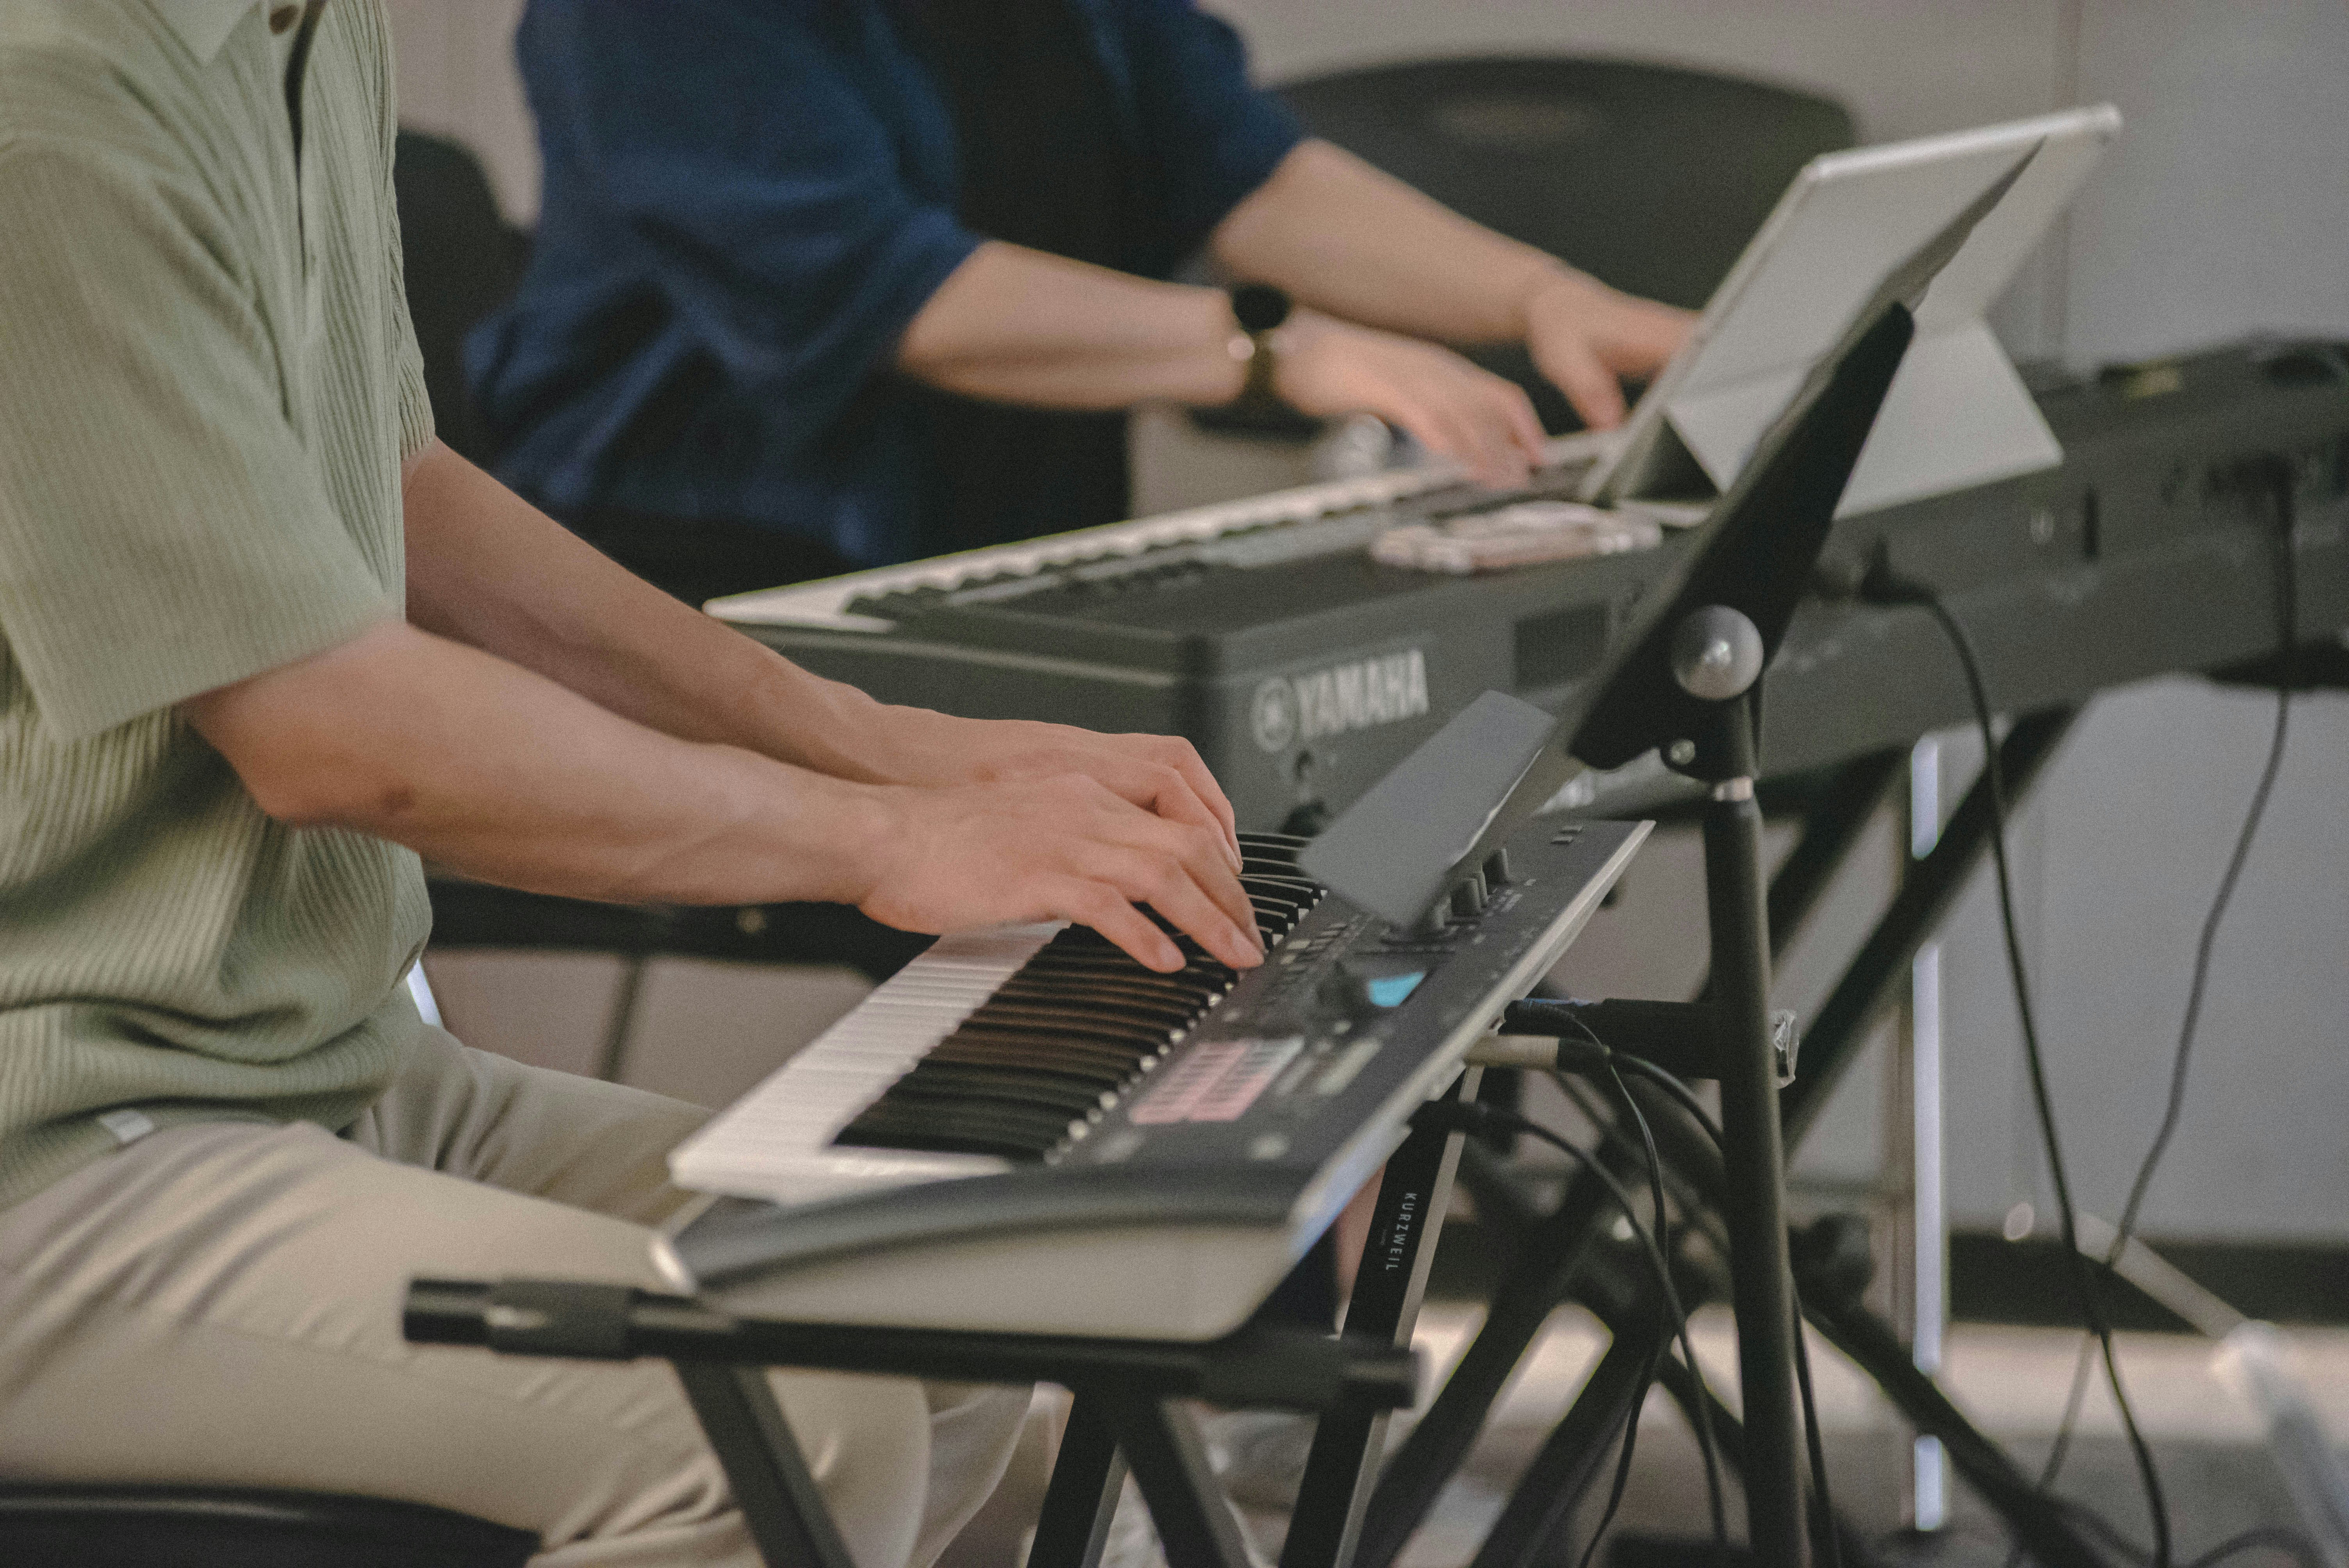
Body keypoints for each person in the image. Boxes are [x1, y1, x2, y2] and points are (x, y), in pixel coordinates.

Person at [0, 4, 1262, 1564]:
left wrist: (878, 739)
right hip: (48, 1135)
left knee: (934, 1309)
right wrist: (876, 835)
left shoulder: (303, 27)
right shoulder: (45, 95)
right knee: (791, 1422)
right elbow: (334, 727)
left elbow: (397, 488)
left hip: (308, 1058)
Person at [468, 0, 1695, 604]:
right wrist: (1277, 352)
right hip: (703, 578)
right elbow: (883, 290)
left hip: (1000, 549)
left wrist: (1542, 297)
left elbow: (1234, 168)